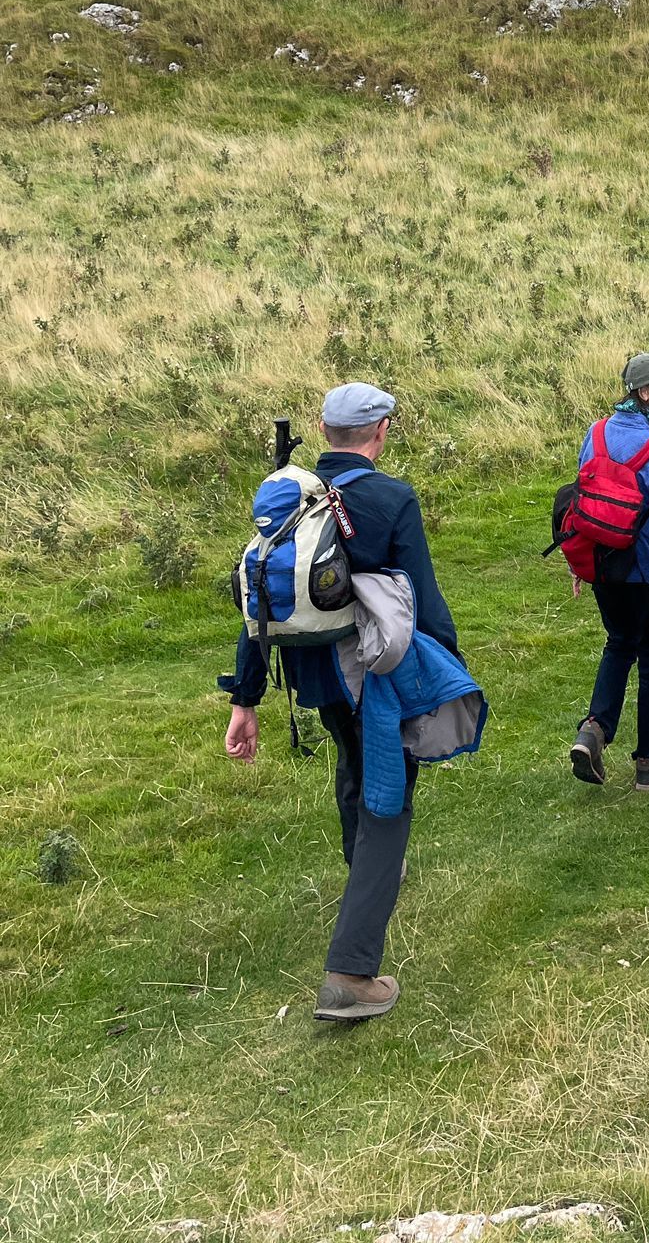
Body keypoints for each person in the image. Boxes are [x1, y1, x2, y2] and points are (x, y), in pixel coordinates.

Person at [221, 382, 464, 1025]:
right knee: (390, 797)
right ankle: (351, 974)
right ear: (379, 432)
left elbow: (258, 604)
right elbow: (423, 595)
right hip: (374, 678)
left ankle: (367, 877)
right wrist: (449, 672)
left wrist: (245, 700)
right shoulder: (389, 499)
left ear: (324, 432)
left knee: (354, 761)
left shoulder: (290, 498)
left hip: (316, 678)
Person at [568, 354, 649, 792]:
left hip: (603, 566)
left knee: (619, 644)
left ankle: (593, 730)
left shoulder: (596, 432)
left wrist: (577, 563)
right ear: (643, 392)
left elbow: (583, 498)